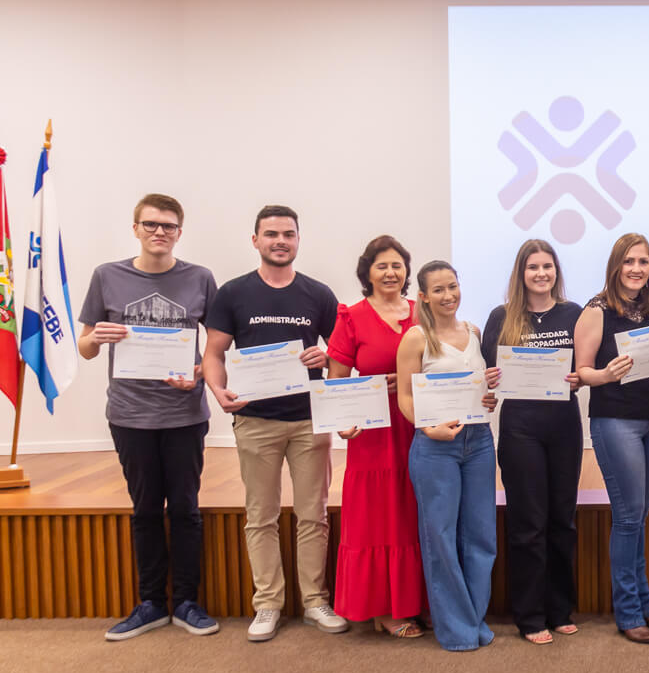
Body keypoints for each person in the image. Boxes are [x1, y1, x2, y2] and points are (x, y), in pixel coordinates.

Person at [202, 205, 347, 642]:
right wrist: (217, 389)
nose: (280, 241)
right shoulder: (232, 293)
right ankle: (267, 604)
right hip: (255, 421)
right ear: (255, 240)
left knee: (313, 516)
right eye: (271, 234)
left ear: (298, 240)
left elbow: (341, 352)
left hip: (309, 420)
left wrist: (326, 356)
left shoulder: (318, 295)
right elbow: (213, 353)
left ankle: (315, 602)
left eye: (288, 234)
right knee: (260, 516)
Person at [78, 194, 219, 640]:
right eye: (151, 224)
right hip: (129, 414)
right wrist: (96, 338)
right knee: (144, 510)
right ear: (135, 227)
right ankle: (151, 603)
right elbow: (83, 345)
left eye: (169, 226)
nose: (160, 232)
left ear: (180, 232)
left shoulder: (200, 278)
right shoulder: (107, 276)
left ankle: (188, 602)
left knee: (185, 508)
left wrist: (198, 372)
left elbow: (216, 350)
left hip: (184, 415)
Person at [576, 233, 649, 644]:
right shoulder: (595, 310)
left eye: (644, 262)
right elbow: (581, 371)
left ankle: (645, 605)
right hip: (615, 420)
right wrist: (606, 375)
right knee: (628, 516)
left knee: (640, 514)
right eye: (630, 261)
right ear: (616, 265)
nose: (637, 269)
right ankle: (629, 612)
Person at [481, 239, 583, 645]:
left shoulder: (574, 314)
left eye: (548, 266)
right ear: (521, 273)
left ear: (556, 271)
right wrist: (488, 378)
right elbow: (488, 369)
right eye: (533, 267)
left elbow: (586, 363)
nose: (541, 273)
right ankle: (530, 615)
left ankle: (560, 609)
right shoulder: (502, 316)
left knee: (562, 519)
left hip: (564, 424)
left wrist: (582, 375)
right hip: (521, 427)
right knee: (528, 523)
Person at [395, 261, 500, 652]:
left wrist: (487, 397)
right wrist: (426, 427)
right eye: (438, 290)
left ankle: (474, 619)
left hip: (478, 442)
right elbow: (405, 397)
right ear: (422, 296)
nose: (448, 296)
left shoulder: (473, 333)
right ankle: (456, 629)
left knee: (481, 536)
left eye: (452, 287)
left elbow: (480, 391)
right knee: (440, 537)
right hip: (435, 445)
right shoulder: (415, 339)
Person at [326, 235, 425, 639]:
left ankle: (417, 601)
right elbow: (335, 381)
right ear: (367, 272)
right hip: (373, 433)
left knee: (414, 514)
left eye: (397, 265)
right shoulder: (351, 316)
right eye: (382, 265)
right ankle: (384, 609)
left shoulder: (425, 313)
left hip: (418, 426)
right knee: (379, 518)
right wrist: (342, 421)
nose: (390, 272)